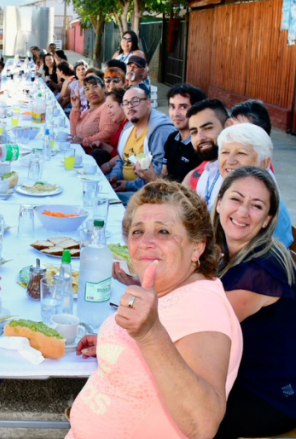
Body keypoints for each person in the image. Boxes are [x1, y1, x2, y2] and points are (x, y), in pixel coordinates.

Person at [69, 181, 243, 439]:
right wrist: (118, 342)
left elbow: (202, 424)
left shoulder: (204, 307)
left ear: (197, 246)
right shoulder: (171, 287)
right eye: (137, 232)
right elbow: (172, 348)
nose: (146, 242)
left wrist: (149, 335)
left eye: (163, 231)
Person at [210, 166, 296, 438]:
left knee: (177, 413)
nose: (243, 212)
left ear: (268, 218)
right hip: (239, 378)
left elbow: (201, 324)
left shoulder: (259, 272)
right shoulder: (231, 253)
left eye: (256, 206)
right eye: (236, 199)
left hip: (269, 396)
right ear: (220, 201)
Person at [213, 123, 293, 246]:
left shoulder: (273, 207)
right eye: (225, 152)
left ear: (264, 163)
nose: (230, 161)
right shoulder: (225, 193)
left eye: (241, 153)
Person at [107, 85, 175, 202]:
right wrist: (114, 176)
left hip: (148, 195)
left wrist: (128, 185)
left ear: (148, 102)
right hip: (125, 186)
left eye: (135, 101)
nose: (130, 106)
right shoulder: (129, 127)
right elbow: (122, 160)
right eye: (125, 103)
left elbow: (158, 175)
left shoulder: (160, 131)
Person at [134, 84, 206, 184]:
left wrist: (152, 179)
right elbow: (164, 176)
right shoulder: (172, 138)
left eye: (183, 107)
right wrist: (146, 173)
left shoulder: (201, 147)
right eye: (172, 106)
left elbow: (187, 195)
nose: (176, 113)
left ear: (197, 110)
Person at [68, 75, 119, 165]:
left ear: (104, 88)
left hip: (96, 160)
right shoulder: (88, 111)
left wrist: (85, 141)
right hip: (81, 156)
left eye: (95, 86)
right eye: (87, 89)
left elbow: (108, 132)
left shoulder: (106, 107)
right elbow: (74, 135)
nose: (91, 91)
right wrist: (76, 108)